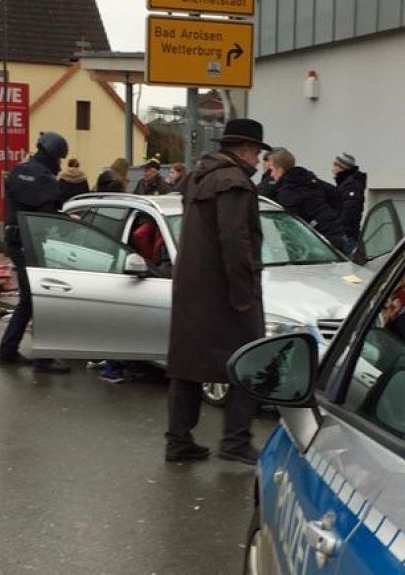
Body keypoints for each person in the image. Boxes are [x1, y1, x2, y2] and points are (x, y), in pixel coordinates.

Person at [167, 118, 269, 465]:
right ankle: (236, 441)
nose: (258, 161)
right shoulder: (233, 182)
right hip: (225, 292)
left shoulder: (198, 178)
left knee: (188, 365)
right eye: (256, 153)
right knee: (247, 362)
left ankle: (178, 441)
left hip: (191, 289)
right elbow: (235, 241)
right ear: (245, 150)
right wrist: (244, 294)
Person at [0, 132, 70, 372]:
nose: (59, 164)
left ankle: (8, 352)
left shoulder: (18, 171)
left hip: (15, 242)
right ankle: (42, 358)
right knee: (38, 299)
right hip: (32, 245)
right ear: (52, 155)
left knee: (29, 300)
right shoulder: (45, 179)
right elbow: (48, 216)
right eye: (59, 159)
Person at [269, 149, 350, 253]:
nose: (271, 175)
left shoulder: (288, 192)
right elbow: (336, 195)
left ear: (279, 170)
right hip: (336, 236)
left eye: (271, 170)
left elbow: (290, 229)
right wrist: (332, 218)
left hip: (320, 245)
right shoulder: (308, 179)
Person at [332, 153, 367, 252]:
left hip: (346, 237)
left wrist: (338, 230)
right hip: (345, 236)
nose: (332, 168)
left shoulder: (351, 185)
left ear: (342, 167)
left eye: (335, 164)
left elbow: (349, 213)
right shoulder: (346, 183)